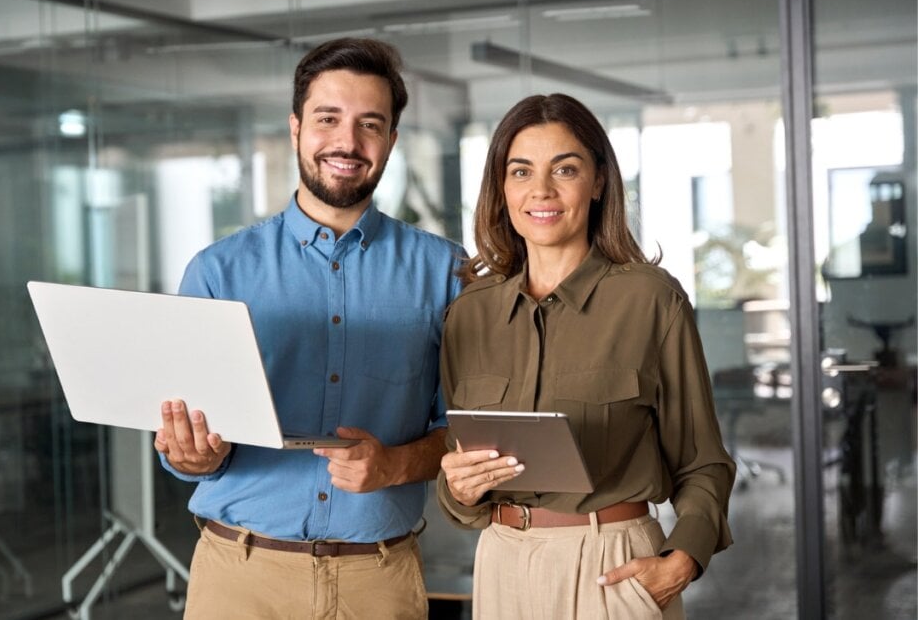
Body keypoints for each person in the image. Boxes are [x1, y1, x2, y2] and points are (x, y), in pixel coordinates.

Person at [154, 37, 465, 619]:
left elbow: (468, 431)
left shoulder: (445, 272)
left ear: (392, 141)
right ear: (296, 127)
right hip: (240, 580)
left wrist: (395, 464)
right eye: (328, 119)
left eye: (370, 124)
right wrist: (192, 456)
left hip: (380, 579)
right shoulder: (218, 271)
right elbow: (184, 442)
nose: (347, 142)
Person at [437, 93, 735, 619]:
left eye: (565, 169)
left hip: (612, 566)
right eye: (521, 171)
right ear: (501, 188)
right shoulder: (469, 314)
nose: (542, 191)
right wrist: (459, 489)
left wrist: (683, 558)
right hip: (501, 563)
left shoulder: (651, 300)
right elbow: (460, 476)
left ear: (598, 181)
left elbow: (703, 462)